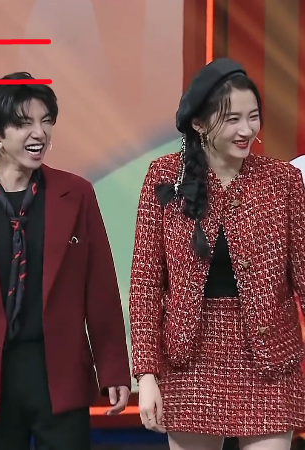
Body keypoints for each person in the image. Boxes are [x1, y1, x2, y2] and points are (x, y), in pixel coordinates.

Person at [0, 71, 131, 450]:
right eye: (23, 124)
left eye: (46, 121)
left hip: (60, 372)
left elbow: (100, 288)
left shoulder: (76, 194)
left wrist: (114, 368)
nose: (40, 134)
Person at [129, 57, 305, 450]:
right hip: (189, 360)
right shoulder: (165, 177)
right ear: (198, 123)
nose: (246, 130)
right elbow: (145, 285)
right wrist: (147, 375)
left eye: (253, 117)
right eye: (232, 119)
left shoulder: (283, 180)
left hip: (271, 359)